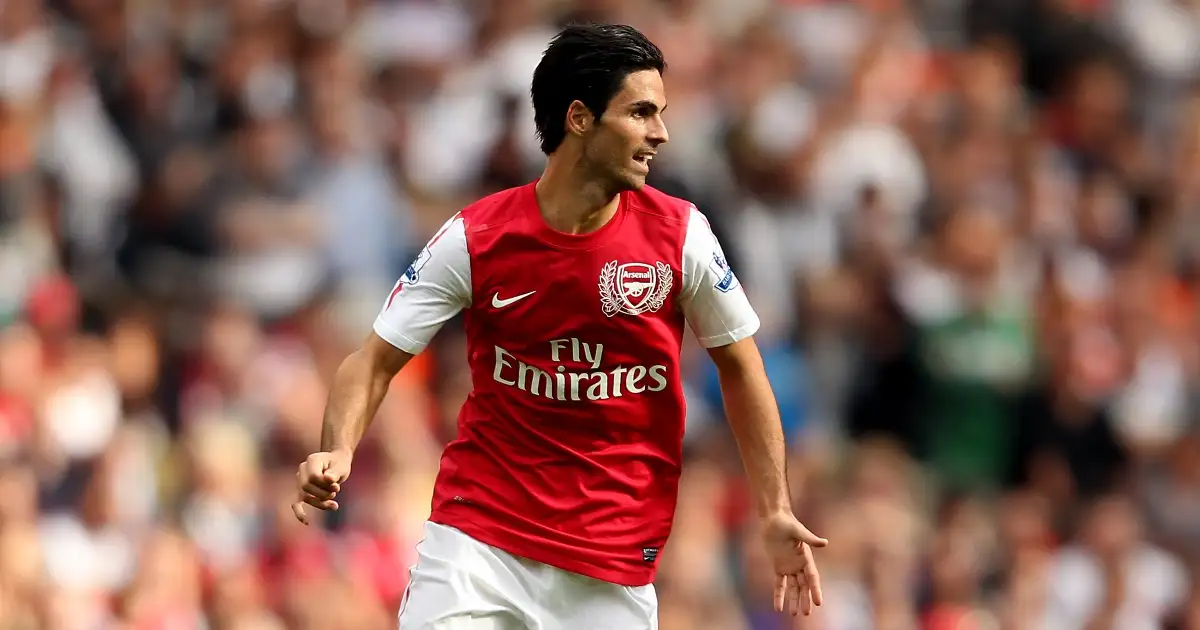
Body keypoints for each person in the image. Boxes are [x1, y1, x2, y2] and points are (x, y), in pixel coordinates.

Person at [290, 23, 826, 629]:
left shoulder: (681, 237)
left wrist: (774, 509)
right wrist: (337, 446)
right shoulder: (478, 237)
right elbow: (373, 359)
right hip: (478, 542)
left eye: (661, 113)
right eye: (641, 112)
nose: (661, 133)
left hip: (611, 565)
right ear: (579, 118)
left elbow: (741, 365)